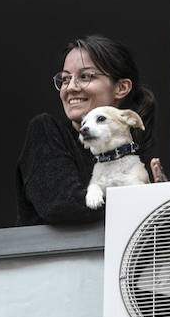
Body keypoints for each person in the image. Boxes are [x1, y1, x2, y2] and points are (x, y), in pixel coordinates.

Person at [16, 35, 161, 224]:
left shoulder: (135, 154)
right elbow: (63, 205)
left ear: (121, 88)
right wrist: (149, 203)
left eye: (85, 76)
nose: (71, 87)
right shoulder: (45, 130)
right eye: (65, 79)